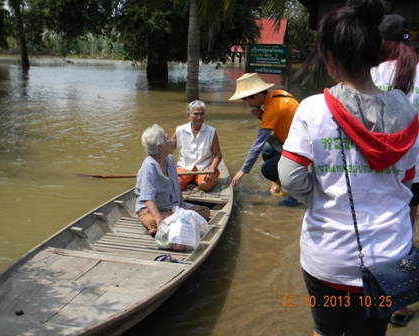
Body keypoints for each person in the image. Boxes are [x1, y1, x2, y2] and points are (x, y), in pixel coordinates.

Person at [278, 0, 419, 335]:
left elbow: (290, 177)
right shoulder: (410, 113)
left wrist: (320, 197)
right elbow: (410, 182)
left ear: (331, 58)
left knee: (325, 332)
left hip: (328, 259)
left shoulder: (313, 108)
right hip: (390, 260)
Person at [371, 13, 419, 327]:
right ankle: (400, 307)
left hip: (378, 167)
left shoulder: (370, 72)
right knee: (406, 233)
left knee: (379, 229)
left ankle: (374, 299)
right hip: (416, 169)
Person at [229, 72, 300, 206]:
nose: (249, 104)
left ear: (256, 95)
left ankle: (296, 194)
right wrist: (262, 115)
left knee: (267, 169)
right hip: (292, 140)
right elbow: (281, 122)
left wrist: (243, 170)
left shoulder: (272, 108)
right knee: (268, 151)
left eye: (248, 100)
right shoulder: (278, 94)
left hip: (300, 147)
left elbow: (258, 143)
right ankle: (277, 187)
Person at [135, 124, 210, 235]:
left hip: (173, 207)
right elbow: (148, 199)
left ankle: (172, 221)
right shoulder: (149, 166)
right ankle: (170, 221)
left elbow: (176, 186)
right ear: (160, 147)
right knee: (152, 222)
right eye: (167, 139)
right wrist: (159, 220)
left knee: (205, 212)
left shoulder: (169, 159)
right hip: (153, 210)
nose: (172, 141)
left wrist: (183, 206)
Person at [171, 100, 222, 192]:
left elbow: (218, 155)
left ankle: (201, 179)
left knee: (204, 185)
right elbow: (168, 150)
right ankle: (190, 179)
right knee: (177, 183)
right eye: (195, 114)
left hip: (205, 168)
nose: (199, 117)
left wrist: (211, 170)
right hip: (185, 167)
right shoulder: (180, 130)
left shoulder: (211, 131)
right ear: (188, 116)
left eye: (202, 114)